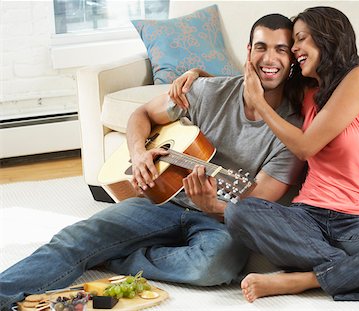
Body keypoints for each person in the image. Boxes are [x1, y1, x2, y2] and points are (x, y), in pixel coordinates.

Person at [0, 14, 304, 310]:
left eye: (281, 49)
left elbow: (256, 206)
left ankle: (116, 257)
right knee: (74, 238)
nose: (270, 58)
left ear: (292, 61)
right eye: (261, 47)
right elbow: (141, 115)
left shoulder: (291, 132)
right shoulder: (208, 91)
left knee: (214, 267)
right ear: (248, 52)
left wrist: (213, 206)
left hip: (220, 221)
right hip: (165, 200)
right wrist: (139, 153)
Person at [172, 6, 359, 303]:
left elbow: (305, 146)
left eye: (301, 39)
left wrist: (260, 107)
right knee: (241, 210)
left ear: (326, 38)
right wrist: (197, 76)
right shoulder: (305, 89)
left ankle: (304, 280)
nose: (295, 48)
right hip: (306, 217)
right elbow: (254, 81)